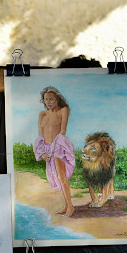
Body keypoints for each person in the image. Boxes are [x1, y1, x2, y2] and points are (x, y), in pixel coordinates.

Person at [34, 85, 76, 216]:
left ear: (57, 99)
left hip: (58, 147)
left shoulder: (63, 110)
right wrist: (42, 153)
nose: (48, 102)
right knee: (56, 177)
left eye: (51, 99)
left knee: (62, 177)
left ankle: (70, 207)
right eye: (46, 99)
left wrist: (53, 149)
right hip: (46, 149)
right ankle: (66, 205)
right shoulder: (42, 114)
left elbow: (63, 131)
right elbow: (40, 136)